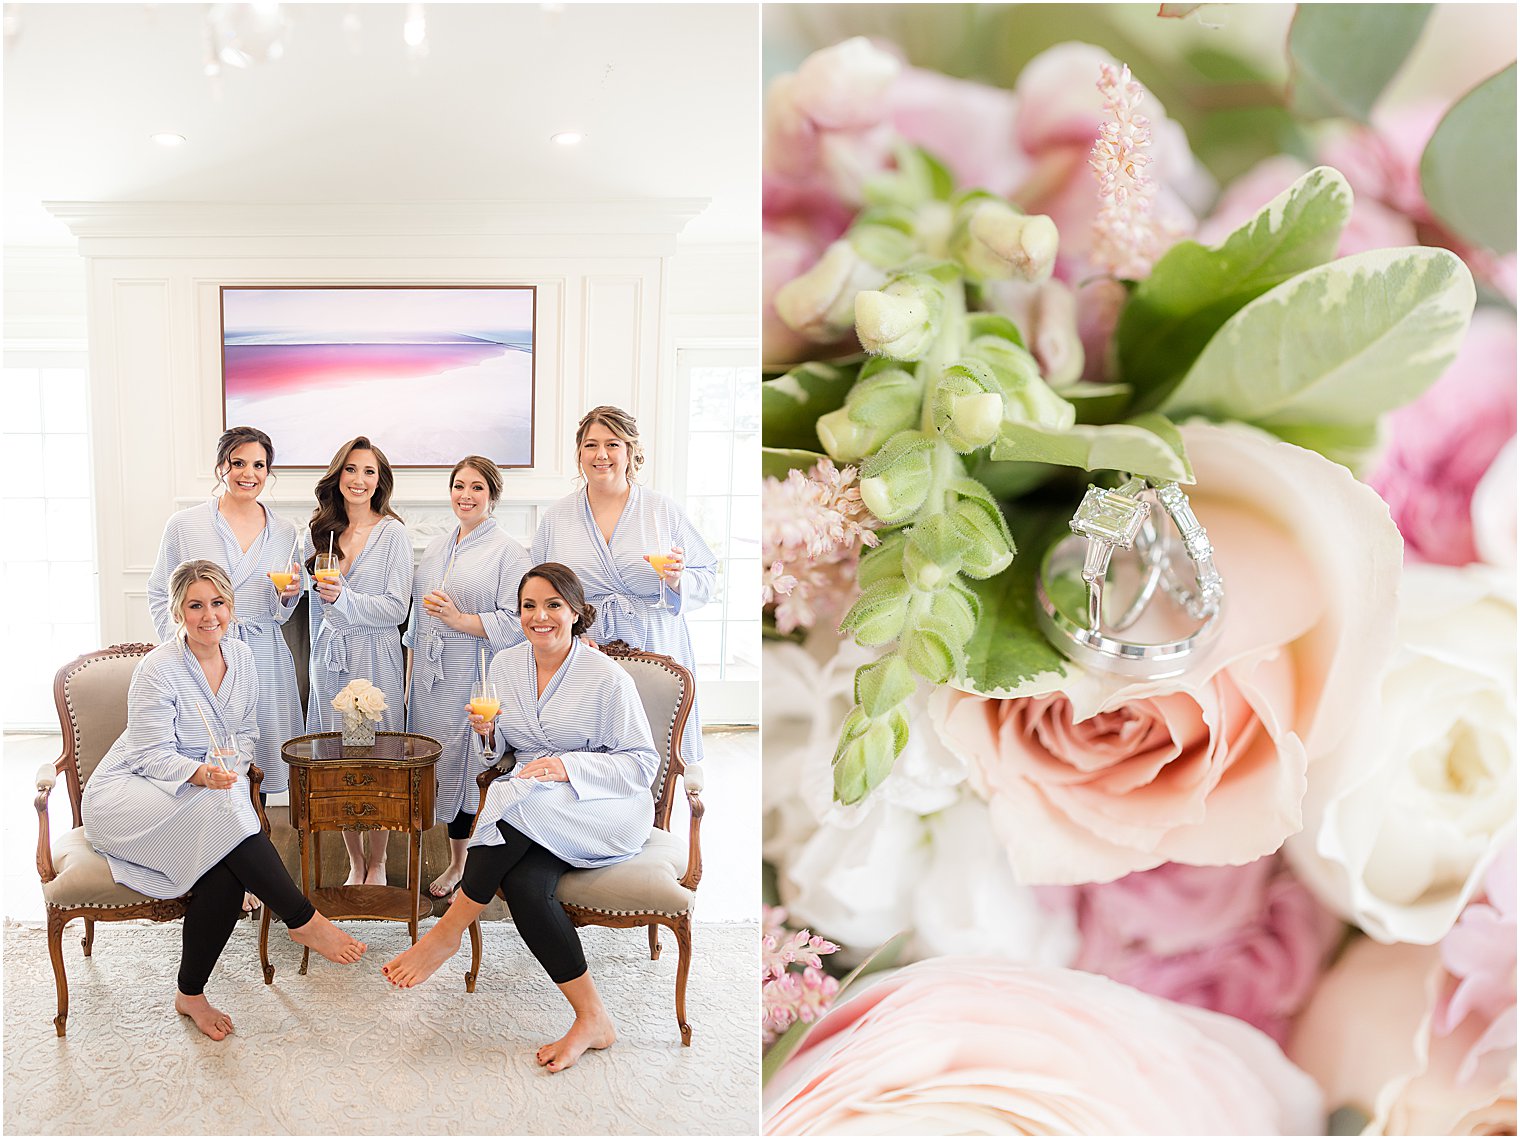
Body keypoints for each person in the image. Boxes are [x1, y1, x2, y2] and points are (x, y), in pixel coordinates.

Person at [383, 563, 658, 1074]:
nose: (540, 616)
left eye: (553, 604)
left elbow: (641, 765)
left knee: (516, 801)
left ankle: (448, 932)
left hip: (605, 805)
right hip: (537, 806)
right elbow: (498, 759)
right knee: (529, 886)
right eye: (530, 606)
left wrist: (567, 766)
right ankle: (593, 1018)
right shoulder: (505, 666)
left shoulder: (606, 677)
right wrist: (487, 734)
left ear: (576, 612)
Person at [82, 559, 366, 1041]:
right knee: (223, 815)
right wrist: (197, 773)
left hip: (209, 786)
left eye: (217, 603)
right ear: (178, 611)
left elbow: (246, 734)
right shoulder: (159, 668)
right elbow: (148, 752)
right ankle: (302, 918)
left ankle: (190, 993)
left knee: (224, 867)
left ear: (230, 607)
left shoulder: (243, 659)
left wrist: (226, 776)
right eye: (195, 605)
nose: (208, 615)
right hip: (130, 792)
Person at [146, 426, 304, 916]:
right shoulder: (186, 524)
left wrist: (286, 596)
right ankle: (219, 868)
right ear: (222, 468)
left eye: (258, 465)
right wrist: (181, 650)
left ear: (268, 472)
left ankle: (251, 869)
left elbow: (285, 610)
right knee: (213, 766)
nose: (248, 474)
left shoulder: (284, 532)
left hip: (263, 657)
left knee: (254, 767)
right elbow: (159, 592)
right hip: (202, 659)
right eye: (238, 463)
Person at [532, 405, 716, 767]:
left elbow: (707, 575)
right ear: (580, 453)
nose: (601, 455)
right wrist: (567, 635)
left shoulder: (662, 510)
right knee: (596, 752)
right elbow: (540, 591)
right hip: (588, 646)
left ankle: (655, 816)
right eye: (591, 445)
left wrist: (677, 580)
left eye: (612, 444)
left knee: (656, 747)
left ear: (630, 451)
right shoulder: (557, 517)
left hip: (656, 644)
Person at [406, 456, 530, 898]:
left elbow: (517, 622)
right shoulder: (440, 545)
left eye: (477, 487)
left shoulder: (510, 552)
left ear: (492, 496)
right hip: (431, 676)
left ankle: (471, 867)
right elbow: (419, 616)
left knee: (472, 762)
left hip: (475, 671)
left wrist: (459, 619)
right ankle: (456, 859)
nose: (466, 495)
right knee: (437, 763)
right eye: (459, 485)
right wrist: (413, 668)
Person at [305, 435, 412, 886]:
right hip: (331, 657)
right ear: (338, 475)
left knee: (377, 760)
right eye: (351, 469)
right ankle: (354, 860)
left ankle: (380, 860)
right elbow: (315, 609)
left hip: (376, 654)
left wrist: (345, 598)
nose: (359, 479)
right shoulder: (319, 532)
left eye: (369, 471)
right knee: (337, 761)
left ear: (380, 481)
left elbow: (395, 608)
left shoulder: (393, 535)